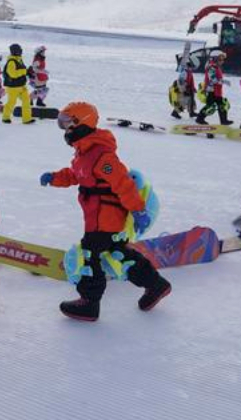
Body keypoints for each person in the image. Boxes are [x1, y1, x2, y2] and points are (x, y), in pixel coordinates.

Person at [39, 102, 171, 322]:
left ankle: (89, 303)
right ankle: (156, 285)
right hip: (97, 218)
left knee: (91, 255)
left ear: (82, 123)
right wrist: (54, 178)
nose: (66, 130)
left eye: (68, 124)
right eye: (62, 125)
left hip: (105, 219)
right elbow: (75, 174)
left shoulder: (102, 156)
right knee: (119, 253)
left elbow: (123, 184)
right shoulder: (85, 153)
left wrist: (138, 210)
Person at [196, 50, 232, 126]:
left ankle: (224, 120)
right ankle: (199, 118)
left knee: (222, 105)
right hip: (211, 91)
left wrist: (222, 81)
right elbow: (213, 80)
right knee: (210, 106)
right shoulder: (211, 68)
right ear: (214, 59)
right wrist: (223, 81)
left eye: (223, 59)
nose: (222, 61)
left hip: (217, 91)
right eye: (220, 59)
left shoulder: (217, 67)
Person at [1, 44, 34, 125]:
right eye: (19, 50)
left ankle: (27, 119)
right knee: (12, 102)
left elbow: (22, 70)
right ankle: (5, 117)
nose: (21, 51)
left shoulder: (19, 59)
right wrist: (24, 71)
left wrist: (28, 72)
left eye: (21, 50)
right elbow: (13, 74)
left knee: (26, 100)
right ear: (15, 51)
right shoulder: (11, 62)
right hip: (12, 87)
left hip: (21, 85)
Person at [169, 54, 197, 120]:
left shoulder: (189, 72)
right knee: (183, 102)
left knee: (191, 101)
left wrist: (193, 88)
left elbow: (191, 81)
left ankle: (191, 112)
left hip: (189, 89)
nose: (192, 68)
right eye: (191, 66)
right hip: (185, 89)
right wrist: (184, 90)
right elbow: (180, 82)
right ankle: (175, 112)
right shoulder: (184, 72)